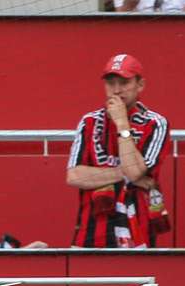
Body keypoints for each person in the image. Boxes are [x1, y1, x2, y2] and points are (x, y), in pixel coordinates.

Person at [66, 53, 171, 249]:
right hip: (91, 232)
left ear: (140, 85)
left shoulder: (155, 123)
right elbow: (74, 176)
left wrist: (122, 123)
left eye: (123, 82)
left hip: (138, 229)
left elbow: (134, 171)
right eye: (110, 83)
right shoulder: (89, 121)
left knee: (139, 280)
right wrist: (128, 175)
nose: (116, 90)